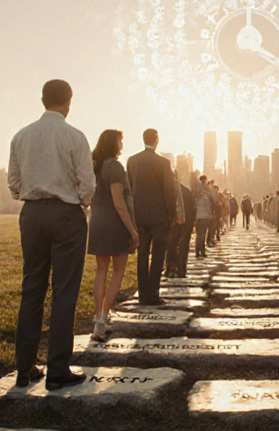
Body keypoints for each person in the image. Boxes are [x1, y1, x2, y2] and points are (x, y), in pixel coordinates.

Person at [8, 79, 95, 390]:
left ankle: (24, 367)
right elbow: (87, 183)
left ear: (42, 99)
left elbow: (14, 182)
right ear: (68, 102)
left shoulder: (21, 136)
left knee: (31, 288)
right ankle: (57, 367)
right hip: (66, 213)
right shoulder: (74, 136)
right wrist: (80, 205)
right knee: (64, 292)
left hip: (31, 214)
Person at [87, 130, 138, 338]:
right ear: (113, 144)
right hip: (115, 224)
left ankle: (98, 315)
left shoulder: (94, 167)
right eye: (120, 140)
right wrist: (132, 230)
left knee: (101, 271)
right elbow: (119, 202)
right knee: (118, 271)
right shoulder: (115, 168)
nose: (122, 144)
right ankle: (103, 318)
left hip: (97, 222)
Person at [126, 129, 181, 306]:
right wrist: (172, 214)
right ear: (156, 140)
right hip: (159, 217)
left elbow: (130, 187)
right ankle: (153, 293)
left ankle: (142, 294)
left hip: (139, 216)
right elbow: (168, 190)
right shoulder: (163, 163)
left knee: (142, 254)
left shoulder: (132, 161)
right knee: (158, 255)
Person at [194, 176, 214, 258]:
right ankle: (201, 250)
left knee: (199, 235)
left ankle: (197, 251)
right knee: (202, 235)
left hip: (197, 216)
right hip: (205, 216)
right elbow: (213, 199)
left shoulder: (196, 191)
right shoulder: (207, 192)